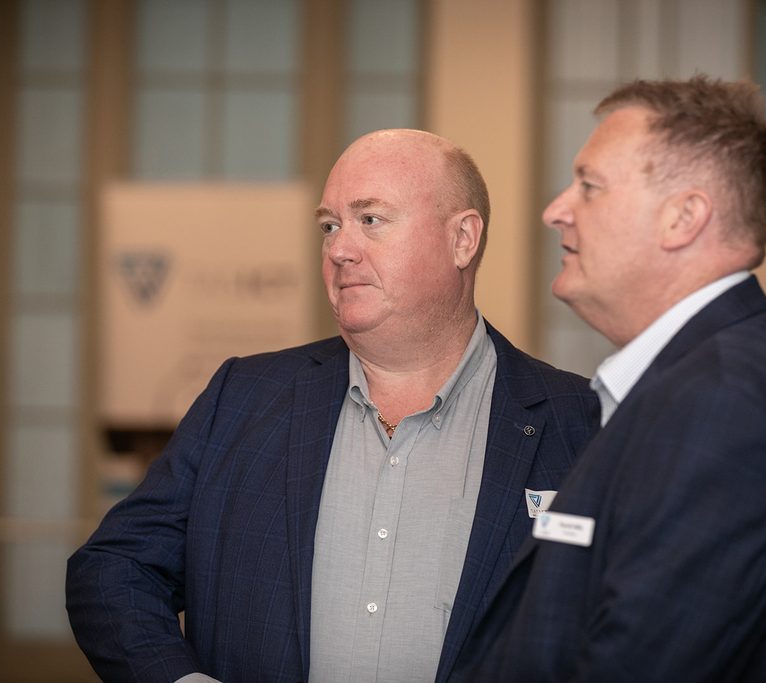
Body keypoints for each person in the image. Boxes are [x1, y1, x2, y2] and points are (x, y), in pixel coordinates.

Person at [66, 129, 599, 683]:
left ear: (462, 239)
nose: (340, 249)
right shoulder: (242, 398)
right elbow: (113, 567)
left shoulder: (581, 424)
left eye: (370, 219)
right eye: (329, 226)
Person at [450, 76, 766, 682]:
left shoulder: (724, 405)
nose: (555, 210)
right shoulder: (706, 384)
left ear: (683, 218)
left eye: (589, 186)